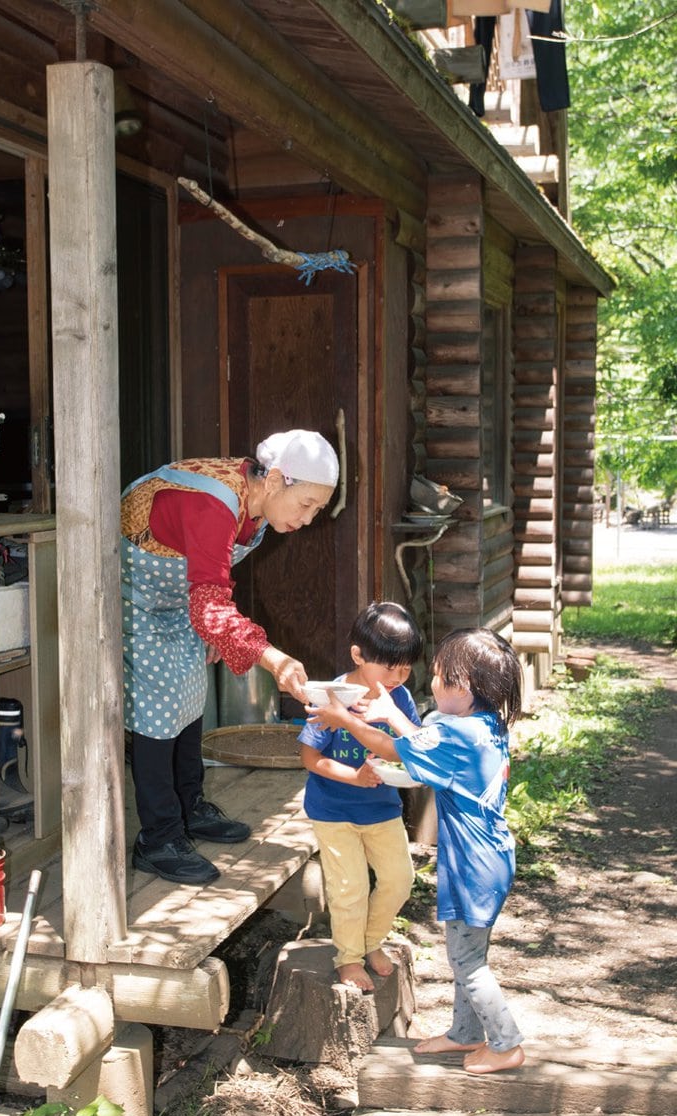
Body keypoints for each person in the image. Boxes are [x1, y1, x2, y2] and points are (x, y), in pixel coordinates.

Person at [121, 429, 339, 885]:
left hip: (178, 597)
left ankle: (188, 807)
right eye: (306, 505)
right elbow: (210, 606)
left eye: (317, 509)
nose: (309, 518)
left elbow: (208, 589)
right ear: (276, 479)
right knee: (159, 709)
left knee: (190, 693)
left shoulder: (255, 504)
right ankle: (158, 837)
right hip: (131, 595)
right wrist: (272, 658)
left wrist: (219, 635)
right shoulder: (213, 505)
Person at [308, 627, 525, 1075]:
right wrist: (390, 714)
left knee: (467, 963)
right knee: (467, 956)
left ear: (462, 687)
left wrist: (349, 719)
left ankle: (505, 1044)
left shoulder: (459, 735)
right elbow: (420, 745)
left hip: (474, 867)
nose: (430, 683)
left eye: (439, 676)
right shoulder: (481, 725)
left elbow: (397, 749)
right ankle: (466, 1034)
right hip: (486, 860)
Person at [298, 602, 422, 992]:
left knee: (399, 880)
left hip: (382, 808)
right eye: (390, 667)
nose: (399, 677)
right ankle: (348, 958)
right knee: (349, 886)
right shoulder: (333, 697)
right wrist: (355, 777)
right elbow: (309, 757)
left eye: (406, 668)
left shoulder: (398, 699)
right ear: (358, 655)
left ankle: (370, 943)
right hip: (333, 810)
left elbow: (413, 746)